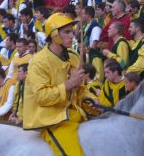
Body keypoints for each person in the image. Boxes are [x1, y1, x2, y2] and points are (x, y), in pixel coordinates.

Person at [23, 13, 97, 156]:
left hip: (74, 113)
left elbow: (80, 89)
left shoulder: (74, 57)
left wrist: (91, 99)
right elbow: (41, 97)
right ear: (54, 34)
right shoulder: (38, 62)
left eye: (72, 31)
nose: (72, 36)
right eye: (67, 32)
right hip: (51, 120)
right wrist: (68, 84)